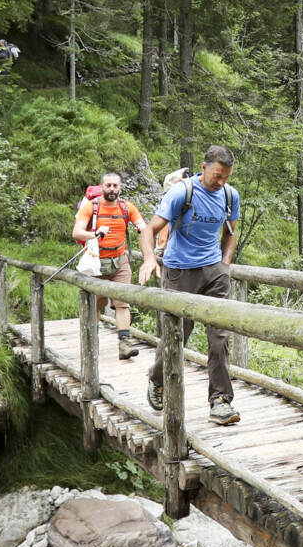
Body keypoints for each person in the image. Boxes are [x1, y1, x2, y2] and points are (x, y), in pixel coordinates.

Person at [140, 145, 243, 425]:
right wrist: (150, 259)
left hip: (214, 272)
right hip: (178, 271)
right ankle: (157, 379)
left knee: (219, 336)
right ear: (204, 166)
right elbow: (150, 230)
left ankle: (220, 401)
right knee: (176, 335)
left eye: (226, 177)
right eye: (217, 176)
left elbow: (231, 230)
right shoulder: (182, 192)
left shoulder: (230, 195)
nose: (221, 182)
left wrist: (225, 263)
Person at [71, 172, 146, 360]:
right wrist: (96, 233)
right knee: (98, 303)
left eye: (115, 185)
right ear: (102, 186)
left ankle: (124, 344)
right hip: (96, 262)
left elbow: (143, 226)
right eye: (108, 185)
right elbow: (77, 233)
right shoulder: (91, 207)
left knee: (122, 302)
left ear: (120, 187)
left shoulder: (127, 207)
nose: (111, 189)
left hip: (120, 260)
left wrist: (142, 229)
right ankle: (92, 340)